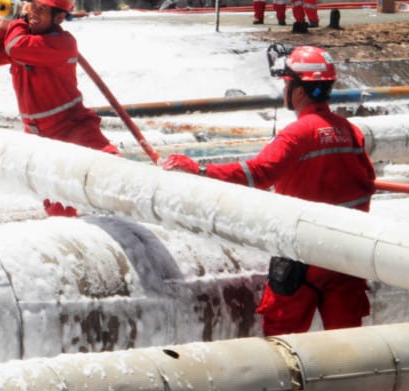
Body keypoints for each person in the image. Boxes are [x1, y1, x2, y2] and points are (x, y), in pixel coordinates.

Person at [160, 45, 375, 337]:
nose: (284, 89)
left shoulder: (299, 134)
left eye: (286, 83)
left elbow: (257, 173)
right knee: (351, 346)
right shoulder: (349, 130)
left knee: (283, 344)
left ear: (299, 91)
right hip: (348, 254)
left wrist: (198, 170)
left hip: (303, 253)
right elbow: (366, 185)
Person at [0, 0, 119, 217]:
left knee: (116, 178)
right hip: (40, 137)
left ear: (59, 17)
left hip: (73, 130)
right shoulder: (24, 38)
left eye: (43, 10)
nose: (33, 12)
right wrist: (3, 24)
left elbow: (15, 47)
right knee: (57, 207)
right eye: (33, 4)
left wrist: (19, 19)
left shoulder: (61, 43)